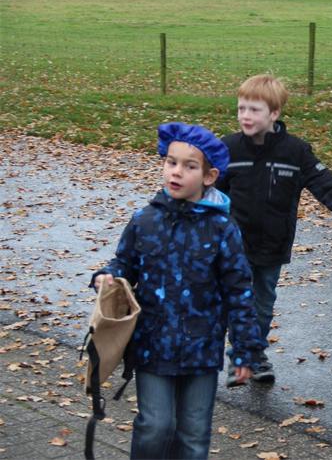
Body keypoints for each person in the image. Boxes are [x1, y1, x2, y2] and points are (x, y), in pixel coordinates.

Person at [91, 122, 265, 459]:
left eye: (189, 166)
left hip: (202, 348)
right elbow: (125, 262)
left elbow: (239, 292)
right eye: (171, 162)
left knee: (194, 434)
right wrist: (109, 275)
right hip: (152, 344)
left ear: (209, 176)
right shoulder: (145, 220)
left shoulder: (222, 229)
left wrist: (245, 349)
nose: (177, 172)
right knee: (156, 425)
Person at [217, 74, 332, 385]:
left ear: (274, 113)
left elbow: (326, 184)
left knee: (262, 305)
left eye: (254, 110)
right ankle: (242, 357)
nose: (245, 115)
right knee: (238, 301)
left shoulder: (295, 152)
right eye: (241, 108)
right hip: (233, 245)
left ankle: (255, 355)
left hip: (273, 244)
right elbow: (203, 188)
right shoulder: (228, 149)